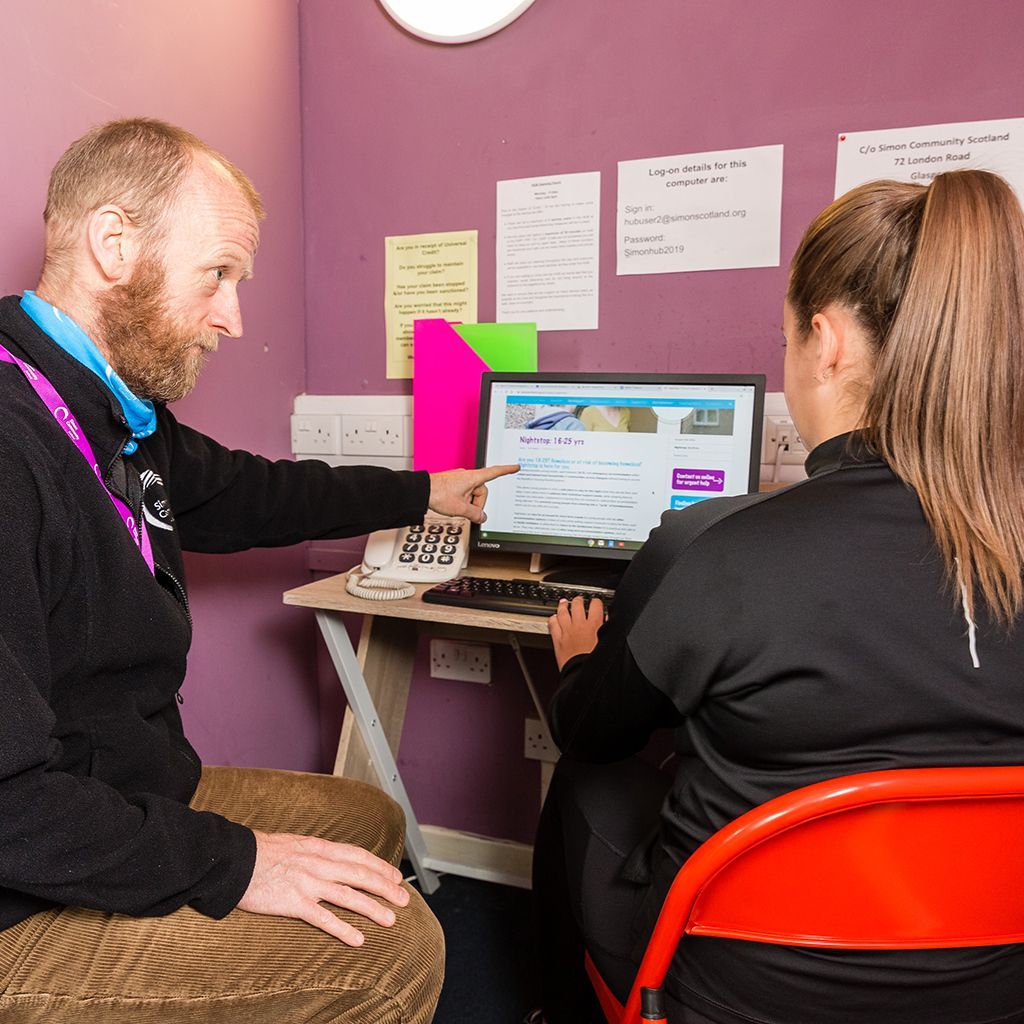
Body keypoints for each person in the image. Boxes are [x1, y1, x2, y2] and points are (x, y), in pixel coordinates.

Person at [0, 118, 516, 1023]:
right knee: (393, 954)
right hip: (24, 888)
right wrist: (232, 864)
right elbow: (9, 808)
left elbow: (251, 493)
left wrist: (424, 491)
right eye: (219, 274)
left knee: (373, 824)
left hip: (126, 791)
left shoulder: (111, 412)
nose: (234, 318)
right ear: (114, 244)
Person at [530, 169, 1024, 1024]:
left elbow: (595, 728)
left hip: (732, 992)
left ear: (825, 341)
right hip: (996, 986)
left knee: (585, 769)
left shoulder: (714, 548)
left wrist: (580, 666)